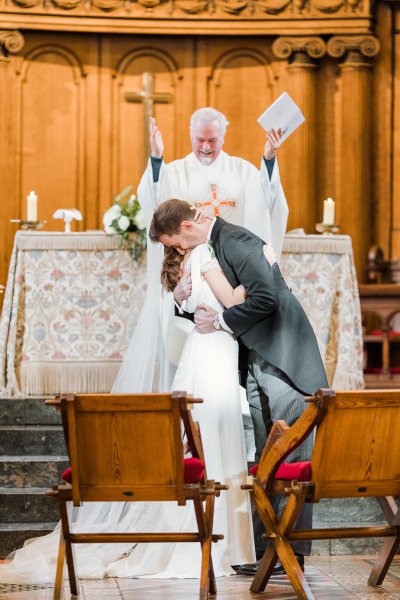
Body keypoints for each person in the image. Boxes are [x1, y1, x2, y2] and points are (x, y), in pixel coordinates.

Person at [0, 229, 279, 583]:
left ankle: (215, 542)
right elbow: (233, 298)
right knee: (213, 438)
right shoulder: (205, 255)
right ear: (186, 230)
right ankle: (215, 544)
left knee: (207, 436)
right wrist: (263, 268)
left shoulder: (192, 260)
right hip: (214, 350)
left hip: (206, 348)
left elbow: (202, 302)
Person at [149, 199, 329, 577]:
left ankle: (290, 551)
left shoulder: (238, 240)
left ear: (186, 227)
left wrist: (222, 323)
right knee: (269, 460)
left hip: (283, 359)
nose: (178, 251)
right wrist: (186, 302)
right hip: (258, 359)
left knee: (290, 455)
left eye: (176, 243)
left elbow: (265, 298)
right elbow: (216, 298)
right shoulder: (215, 246)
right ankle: (268, 546)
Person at [114, 106, 288, 397]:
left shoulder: (243, 170)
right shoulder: (175, 171)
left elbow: (267, 201)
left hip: (231, 271)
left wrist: (269, 158)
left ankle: (242, 397)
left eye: (213, 140)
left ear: (223, 136)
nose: (206, 147)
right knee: (189, 343)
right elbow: (155, 201)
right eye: (200, 140)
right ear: (191, 136)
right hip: (191, 272)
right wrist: (156, 159)